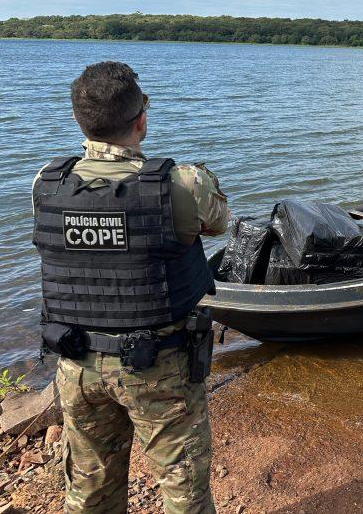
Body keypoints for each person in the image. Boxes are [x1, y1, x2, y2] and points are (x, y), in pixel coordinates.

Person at [32, 61, 229, 513]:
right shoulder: (181, 184)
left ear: (80, 120)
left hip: (76, 364)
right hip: (159, 366)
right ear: (141, 119)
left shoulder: (46, 182)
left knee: (89, 491)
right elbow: (218, 222)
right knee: (184, 491)